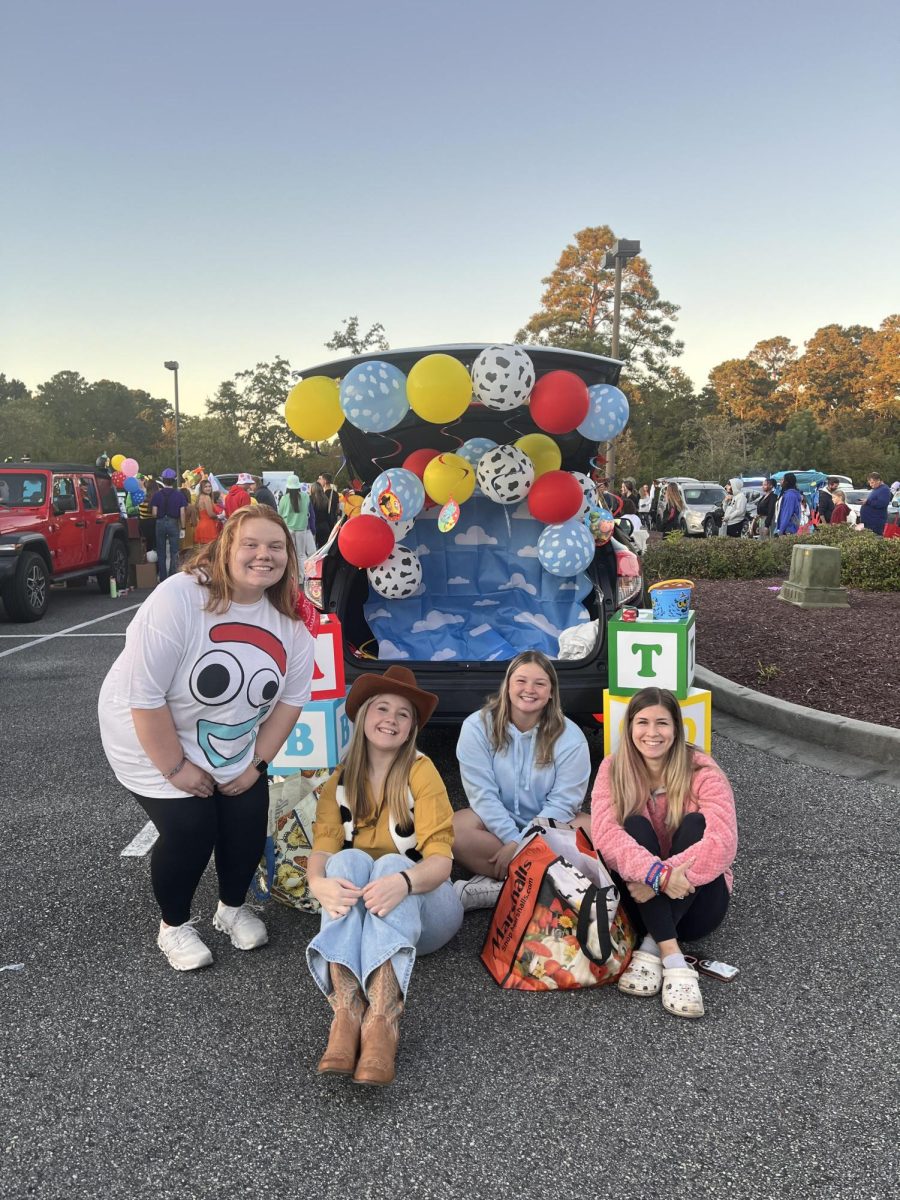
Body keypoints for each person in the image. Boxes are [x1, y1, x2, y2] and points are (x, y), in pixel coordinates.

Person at [98, 506, 316, 971]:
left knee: (246, 816)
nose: (264, 555)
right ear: (226, 549)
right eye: (251, 545)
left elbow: (290, 702)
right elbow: (145, 697)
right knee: (192, 827)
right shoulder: (179, 598)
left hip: (229, 736)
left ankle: (231, 909)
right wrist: (176, 767)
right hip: (148, 732)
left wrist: (255, 765)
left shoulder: (292, 620)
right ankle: (173, 926)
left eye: (276, 547)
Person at [305, 666, 462, 1086]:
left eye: (403, 714)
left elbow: (441, 863)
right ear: (361, 716)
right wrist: (318, 884)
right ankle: (346, 1011)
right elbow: (322, 849)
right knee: (345, 863)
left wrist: (404, 882)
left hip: (427, 912)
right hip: (367, 919)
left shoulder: (420, 771)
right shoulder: (340, 780)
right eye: (382, 708)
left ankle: (383, 1020)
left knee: (393, 864)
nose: (391, 719)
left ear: (411, 728)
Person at [591, 687, 737, 1019]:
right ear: (629, 727)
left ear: (676, 728)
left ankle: (650, 948)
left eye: (662, 723)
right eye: (642, 722)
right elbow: (606, 836)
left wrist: (659, 880)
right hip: (639, 901)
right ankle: (673, 960)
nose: (652, 733)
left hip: (700, 905)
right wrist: (659, 877)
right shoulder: (613, 769)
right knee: (632, 825)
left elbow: (723, 841)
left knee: (696, 825)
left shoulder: (701, 769)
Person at [453, 651, 591, 911]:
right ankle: (544, 885)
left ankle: (502, 888)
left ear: (551, 692)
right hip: (494, 828)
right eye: (521, 681)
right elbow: (482, 795)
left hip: (550, 827)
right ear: (507, 686)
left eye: (540, 683)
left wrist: (521, 843)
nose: (530, 690)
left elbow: (564, 803)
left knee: (600, 834)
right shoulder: (476, 726)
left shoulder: (571, 737)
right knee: (454, 829)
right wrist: (510, 838)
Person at [151, 468, 188, 581]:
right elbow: (182, 513)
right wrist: (183, 527)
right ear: (174, 480)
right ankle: (172, 576)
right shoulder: (179, 495)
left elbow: (154, 513)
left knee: (161, 551)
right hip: (173, 522)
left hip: (160, 522)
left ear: (163, 480)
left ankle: (162, 577)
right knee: (174, 551)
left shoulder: (157, 495)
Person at [277, 474, 316, 576]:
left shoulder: (284, 498)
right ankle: (302, 577)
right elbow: (310, 513)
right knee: (301, 555)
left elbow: (280, 515)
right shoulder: (306, 497)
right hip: (302, 529)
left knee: (291, 554)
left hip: (288, 530)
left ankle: (292, 576)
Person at [311, 472, 340, 548]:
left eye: (321, 479)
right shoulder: (335, 493)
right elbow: (337, 508)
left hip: (319, 524)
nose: (319, 480)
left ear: (325, 481)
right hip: (329, 523)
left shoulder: (322, 496)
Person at [194, 478, 221, 545]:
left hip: (201, 525)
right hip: (208, 526)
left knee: (203, 551)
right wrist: (219, 516)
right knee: (209, 551)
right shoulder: (206, 497)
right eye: (205, 487)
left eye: (209, 486)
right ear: (202, 488)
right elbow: (210, 514)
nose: (208, 488)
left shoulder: (199, 497)